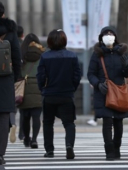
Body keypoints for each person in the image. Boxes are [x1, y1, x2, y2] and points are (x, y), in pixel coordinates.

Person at [87, 26, 128, 160]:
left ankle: (117, 147)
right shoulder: (97, 54)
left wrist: (126, 65)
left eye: (111, 33)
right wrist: (98, 84)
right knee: (107, 123)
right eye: (106, 34)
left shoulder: (122, 53)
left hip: (119, 92)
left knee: (118, 123)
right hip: (104, 93)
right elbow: (91, 74)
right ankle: (109, 150)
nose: (108, 36)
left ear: (115, 37)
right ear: (101, 37)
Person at [37, 29, 81, 159]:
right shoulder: (72, 56)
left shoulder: (45, 56)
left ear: (49, 41)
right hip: (66, 94)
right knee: (69, 123)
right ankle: (69, 146)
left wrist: (43, 89)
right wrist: (72, 88)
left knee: (48, 123)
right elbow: (77, 75)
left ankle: (49, 150)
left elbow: (40, 76)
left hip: (49, 94)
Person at [0, 1, 21, 165]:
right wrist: (17, 76)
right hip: (5, 78)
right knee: (4, 116)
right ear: (2, 13)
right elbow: (16, 56)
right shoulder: (11, 31)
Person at [17, 33, 44, 148]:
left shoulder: (21, 54)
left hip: (24, 87)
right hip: (38, 86)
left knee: (25, 116)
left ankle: (26, 138)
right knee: (36, 116)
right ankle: (34, 139)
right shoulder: (42, 54)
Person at [9, 25, 25, 143]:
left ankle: (12, 123)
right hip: (24, 79)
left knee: (11, 106)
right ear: (22, 35)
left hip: (10, 78)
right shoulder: (25, 45)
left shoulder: (8, 43)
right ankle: (22, 133)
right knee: (24, 107)